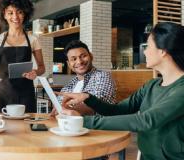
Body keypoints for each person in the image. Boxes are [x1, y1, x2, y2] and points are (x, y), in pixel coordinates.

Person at [58, 22, 184, 160]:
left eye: (148, 46)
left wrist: (82, 121)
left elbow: (146, 120)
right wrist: (88, 97)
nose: (145, 51)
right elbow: (116, 110)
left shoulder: (181, 89)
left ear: (163, 51)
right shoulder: (151, 85)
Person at [0, 0, 45, 112]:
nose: (15, 17)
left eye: (19, 12)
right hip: (4, 92)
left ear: (25, 13)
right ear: (4, 14)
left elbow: (42, 67)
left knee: (26, 129)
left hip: (26, 93)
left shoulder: (33, 39)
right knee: (2, 127)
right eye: (10, 13)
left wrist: (35, 72)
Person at [52, 40, 115, 115]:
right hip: (68, 124)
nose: (79, 62)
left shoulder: (102, 76)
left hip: (94, 125)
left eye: (83, 56)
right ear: (69, 64)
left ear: (91, 56)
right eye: (74, 59)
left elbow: (97, 105)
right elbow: (58, 105)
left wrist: (67, 109)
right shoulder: (71, 83)